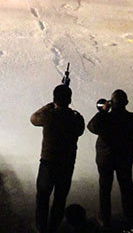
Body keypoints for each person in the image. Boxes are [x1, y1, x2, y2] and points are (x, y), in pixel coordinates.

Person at [31, 84, 85, 233]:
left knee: (42, 197)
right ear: (69, 99)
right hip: (66, 164)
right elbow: (80, 129)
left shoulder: (49, 116)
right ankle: (54, 227)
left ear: (55, 98)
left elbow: (33, 118)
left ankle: (41, 227)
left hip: (48, 163)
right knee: (60, 198)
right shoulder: (75, 118)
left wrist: (49, 105)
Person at [87, 89, 133, 229]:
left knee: (105, 188)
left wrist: (103, 111)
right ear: (126, 102)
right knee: (127, 188)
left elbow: (91, 127)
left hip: (106, 159)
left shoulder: (106, 118)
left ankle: (105, 219)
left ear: (111, 103)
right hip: (124, 158)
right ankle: (129, 217)